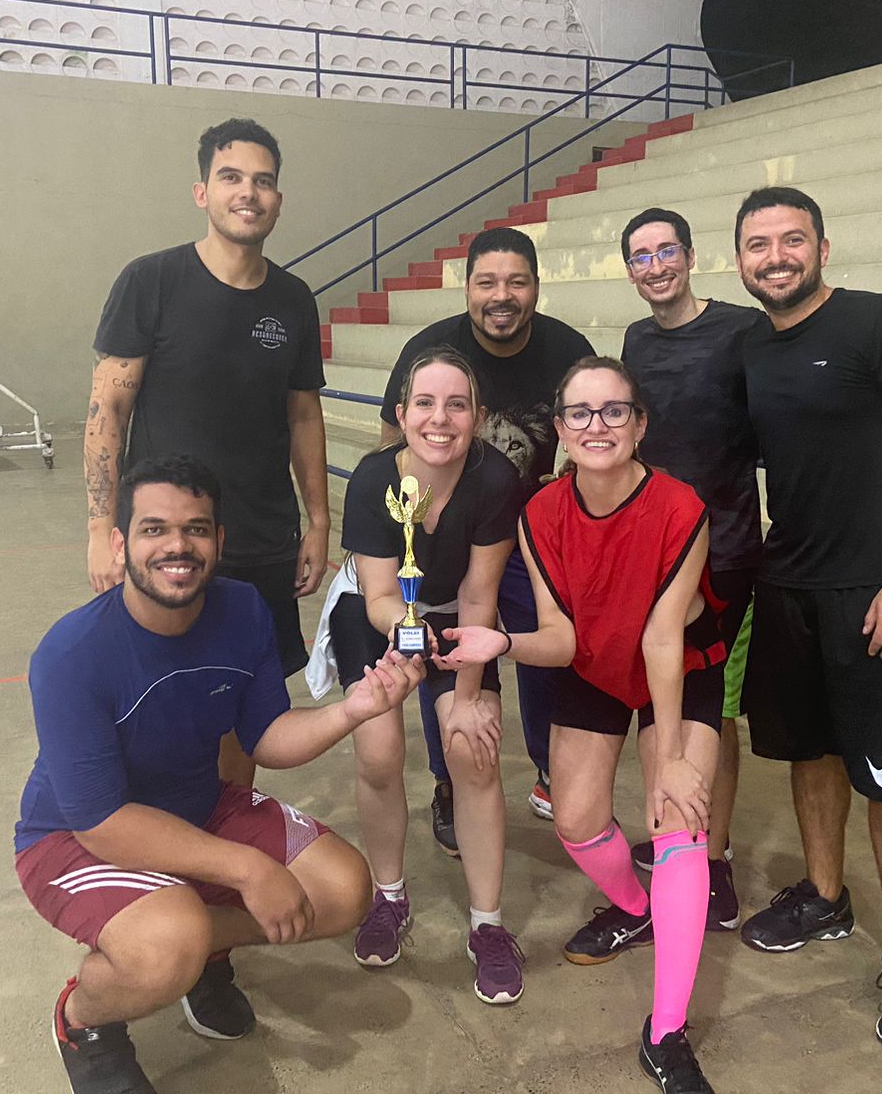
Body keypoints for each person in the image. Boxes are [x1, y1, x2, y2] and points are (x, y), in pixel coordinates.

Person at [17, 454, 425, 1094]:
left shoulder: (242, 609)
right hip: (72, 839)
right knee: (168, 943)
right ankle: (86, 1021)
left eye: (196, 529)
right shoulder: (72, 654)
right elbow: (100, 823)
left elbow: (267, 736)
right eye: (154, 529)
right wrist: (248, 870)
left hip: (199, 805)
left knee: (343, 891)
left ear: (219, 540)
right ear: (120, 544)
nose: (177, 546)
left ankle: (198, 949)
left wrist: (353, 710)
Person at [443, 357, 727, 1094]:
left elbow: (662, 638)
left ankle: (666, 1033)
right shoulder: (540, 514)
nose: (596, 426)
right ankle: (637, 909)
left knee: (678, 818)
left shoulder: (680, 507)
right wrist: (501, 644)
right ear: (562, 429)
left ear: (639, 424)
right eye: (580, 413)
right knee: (574, 819)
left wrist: (671, 759)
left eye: (613, 411)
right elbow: (563, 639)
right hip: (596, 660)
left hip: (677, 664)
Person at [732, 186, 882, 1054]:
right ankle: (826, 898)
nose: (776, 257)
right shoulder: (752, 346)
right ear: (740, 260)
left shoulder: (881, 322)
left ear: (823, 248)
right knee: (811, 752)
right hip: (787, 584)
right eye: (758, 244)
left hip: (874, 591)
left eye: (792, 240)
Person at [84, 117, 329, 828]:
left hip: (261, 540)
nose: (248, 192)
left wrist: (318, 521)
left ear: (278, 199)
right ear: (202, 192)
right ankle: (158, 851)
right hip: (167, 541)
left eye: (263, 181)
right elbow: (107, 410)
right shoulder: (151, 281)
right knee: (154, 701)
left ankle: (221, 843)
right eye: (231, 177)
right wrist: (102, 528)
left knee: (240, 711)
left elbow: (303, 416)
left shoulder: (293, 300)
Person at [379, 226, 593, 850]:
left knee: (544, 652)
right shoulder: (430, 349)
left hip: (532, 545)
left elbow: (590, 433)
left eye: (516, 282)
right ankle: (448, 780)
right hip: (449, 541)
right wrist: (407, 531)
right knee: (442, 654)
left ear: (536, 287)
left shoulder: (567, 350)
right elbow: (394, 445)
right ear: (467, 288)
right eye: (487, 282)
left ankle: (550, 769)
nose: (502, 296)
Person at [329, 347, 524, 1002]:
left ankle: (488, 925)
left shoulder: (495, 480)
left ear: (478, 417)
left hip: (460, 616)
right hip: (379, 614)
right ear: (402, 413)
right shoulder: (372, 479)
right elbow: (382, 595)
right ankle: (388, 896)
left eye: (456, 405)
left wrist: (466, 694)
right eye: (425, 403)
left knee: (472, 750)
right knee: (379, 752)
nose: (440, 419)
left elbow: (479, 594)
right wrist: (408, 639)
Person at [618, 207, 763, 933]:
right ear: (630, 271)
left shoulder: (740, 331)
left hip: (726, 559)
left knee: (714, 713)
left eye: (665, 250)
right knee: (661, 707)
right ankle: (678, 832)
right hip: (653, 559)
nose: (656, 266)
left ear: (690, 255)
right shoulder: (636, 340)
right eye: (641, 257)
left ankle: (716, 857)